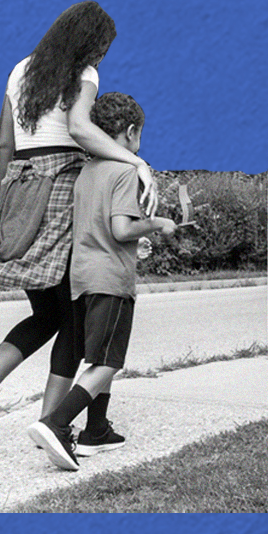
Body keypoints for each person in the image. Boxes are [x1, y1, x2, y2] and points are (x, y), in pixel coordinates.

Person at [0, 3, 158, 448]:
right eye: (102, 48)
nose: (102, 57)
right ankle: (52, 424)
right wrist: (136, 161)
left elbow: (3, 143)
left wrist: (6, 200)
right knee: (73, 318)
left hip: (19, 187)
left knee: (46, 313)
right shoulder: (83, 71)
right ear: (91, 43)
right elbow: (80, 129)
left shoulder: (20, 70)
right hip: (62, 187)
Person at [27, 92, 175, 470]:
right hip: (111, 278)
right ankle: (57, 424)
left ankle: (97, 430)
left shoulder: (87, 170)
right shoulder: (125, 171)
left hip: (80, 278)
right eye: (139, 135)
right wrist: (157, 224)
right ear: (129, 133)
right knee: (108, 363)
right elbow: (121, 229)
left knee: (96, 356)